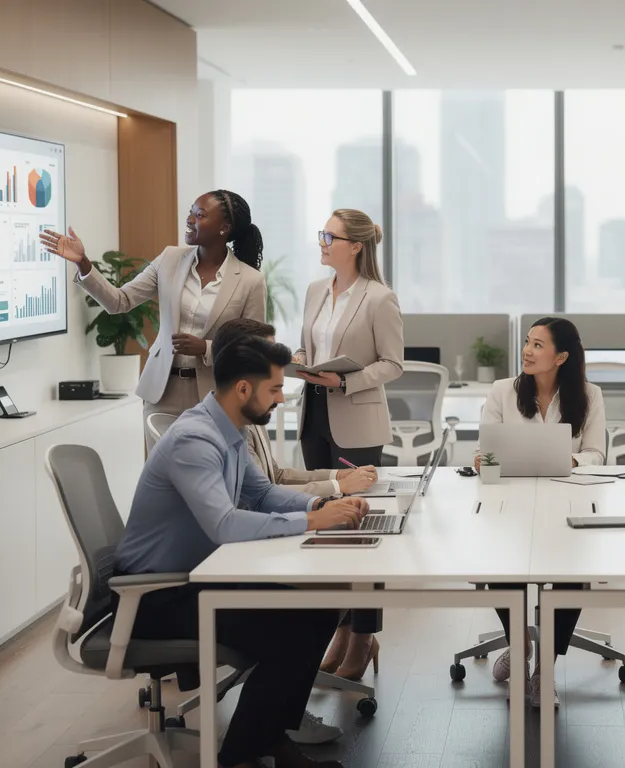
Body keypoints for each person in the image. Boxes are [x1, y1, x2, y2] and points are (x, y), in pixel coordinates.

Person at [113, 332, 371, 768]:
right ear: (244, 389)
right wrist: (311, 521)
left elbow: (263, 493)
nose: (280, 399)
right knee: (288, 635)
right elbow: (224, 524)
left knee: (322, 606)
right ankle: (239, 755)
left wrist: (323, 505)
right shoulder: (196, 439)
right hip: (157, 594)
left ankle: (272, 739)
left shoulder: (227, 429)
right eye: (274, 390)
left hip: (197, 578)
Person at [40, 190, 269, 446]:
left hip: (216, 395)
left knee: (207, 478)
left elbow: (256, 349)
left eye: (200, 215)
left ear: (224, 228)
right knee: (163, 480)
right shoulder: (169, 259)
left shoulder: (250, 280)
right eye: (191, 212)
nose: (190, 220)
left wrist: (206, 348)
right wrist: (83, 263)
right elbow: (119, 301)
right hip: (163, 393)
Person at [294, 208, 404, 681]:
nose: (321, 242)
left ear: (355, 246)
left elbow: (393, 364)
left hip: (355, 420)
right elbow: (306, 347)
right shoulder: (316, 291)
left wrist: (346, 381)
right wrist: (298, 360)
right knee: (327, 529)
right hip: (314, 415)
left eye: (329, 236)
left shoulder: (380, 298)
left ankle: (363, 636)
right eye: (321, 234)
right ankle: (340, 629)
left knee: (359, 534)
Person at [480, 317, 607, 707]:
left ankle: (544, 671)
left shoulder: (589, 395)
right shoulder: (503, 391)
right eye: (527, 342)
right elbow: (487, 452)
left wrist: (568, 459)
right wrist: (486, 458)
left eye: (538, 345)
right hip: (511, 504)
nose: (527, 351)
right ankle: (519, 649)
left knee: (572, 577)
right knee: (499, 566)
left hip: (566, 501)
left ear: (562, 356)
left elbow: (596, 455)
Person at [213, 319, 379, 500]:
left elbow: (275, 477)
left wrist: (338, 476)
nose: (281, 399)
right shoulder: (223, 428)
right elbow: (261, 496)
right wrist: (339, 486)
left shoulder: (250, 414)